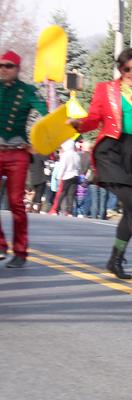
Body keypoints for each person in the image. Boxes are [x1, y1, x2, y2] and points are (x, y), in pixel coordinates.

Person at [70, 48, 132, 278]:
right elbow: (94, 118)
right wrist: (79, 124)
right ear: (120, 70)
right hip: (112, 151)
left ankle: (115, 259)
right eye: (127, 69)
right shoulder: (106, 90)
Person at [0, 50, 47, 267]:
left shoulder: (28, 91)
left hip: (18, 152)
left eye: (8, 66)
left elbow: (46, 114)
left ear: (17, 69)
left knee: (16, 203)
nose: (3, 69)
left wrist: (38, 143)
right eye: (1, 66)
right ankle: (0, 245)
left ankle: (20, 252)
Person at [51, 138, 81, 215]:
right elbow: (79, 167)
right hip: (75, 175)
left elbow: (63, 166)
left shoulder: (65, 155)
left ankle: (56, 209)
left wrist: (59, 177)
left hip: (66, 176)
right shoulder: (76, 155)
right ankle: (69, 211)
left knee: (62, 193)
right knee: (71, 194)